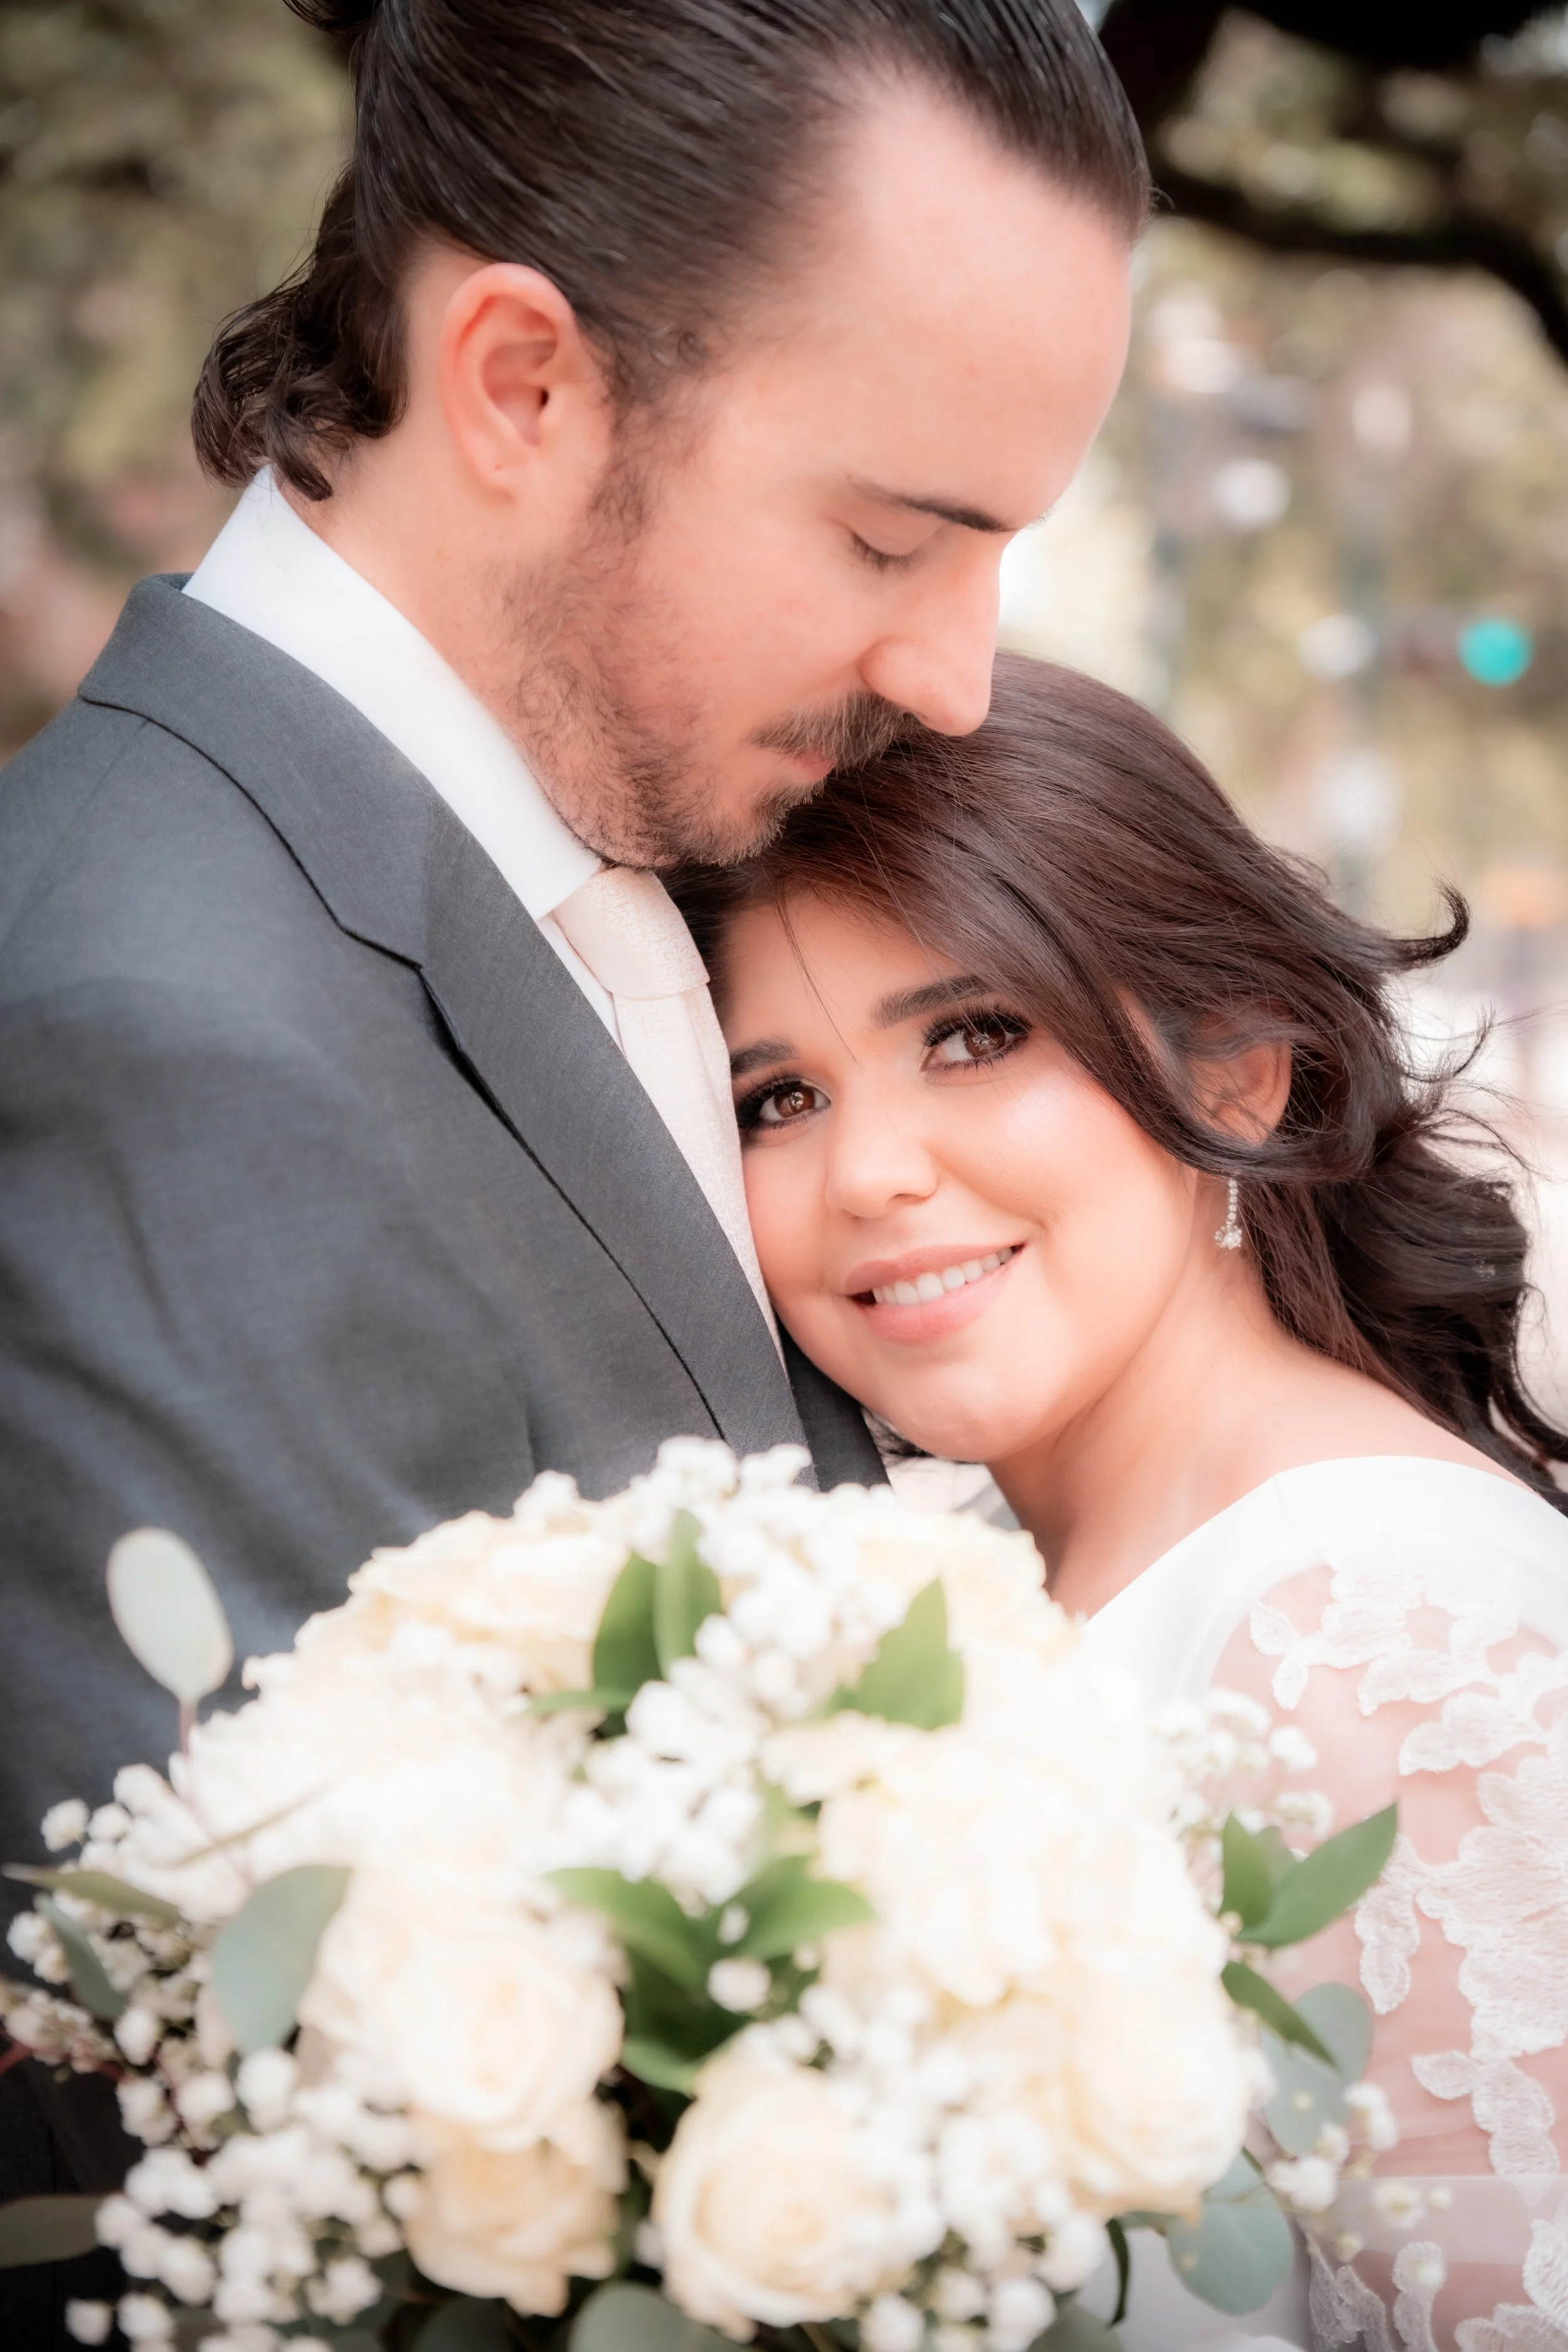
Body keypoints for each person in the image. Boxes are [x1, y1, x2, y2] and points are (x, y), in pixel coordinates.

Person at [0, 0, 1143, 2327]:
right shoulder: (162, 1036)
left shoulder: (669, 819)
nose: (954, 674)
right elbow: (257, 2173)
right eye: (891, 534)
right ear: (522, 381)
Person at [681, 652, 1568, 2352]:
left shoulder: (1372, 1633)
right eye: (775, 1097)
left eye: (971, 1034)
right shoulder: (981, 1608)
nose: (868, 1172)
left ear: (1238, 1067)